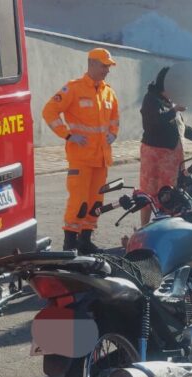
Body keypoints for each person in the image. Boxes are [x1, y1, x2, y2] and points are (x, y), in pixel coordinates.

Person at [42, 48, 120, 253]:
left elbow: (114, 117)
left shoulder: (108, 92)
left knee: (96, 202)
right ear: (92, 64)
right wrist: (67, 134)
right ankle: (70, 244)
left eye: (108, 66)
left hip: (102, 158)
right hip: (81, 158)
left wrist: (114, 133)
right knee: (79, 202)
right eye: (104, 65)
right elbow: (49, 111)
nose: (107, 70)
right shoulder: (73, 89)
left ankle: (85, 241)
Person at [139, 67, 192, 225]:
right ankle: (144, 227)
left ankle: (167, 226)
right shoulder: (151, 99)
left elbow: (180, 125)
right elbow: (153, 124)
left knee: (171, 193)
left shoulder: (169, 101)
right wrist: (173, 110)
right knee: (150, 192)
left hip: (173, 156)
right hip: (155, 155)